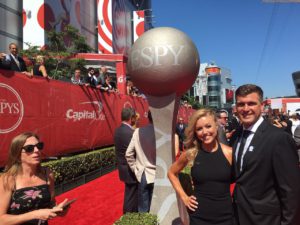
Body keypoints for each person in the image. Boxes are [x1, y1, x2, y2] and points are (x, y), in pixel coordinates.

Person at [232, 84, 300, 225]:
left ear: (262, 106)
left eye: (251, 103)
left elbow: (291, 191)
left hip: (267, 220)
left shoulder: (279, 139)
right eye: (241, 104)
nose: (245, 109)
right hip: (238, 217)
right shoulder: (236, 135)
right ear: (236, 107)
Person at [168, 108, 233, 225]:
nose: (204, 132)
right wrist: (184, 198)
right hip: (199, 215)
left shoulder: (229, 153)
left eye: (208, 126)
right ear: (195, 132)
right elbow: (171, 173)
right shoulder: (191, 154)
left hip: (226, 215)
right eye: (199, 129)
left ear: (216, 126)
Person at [0, 132, 69, 225]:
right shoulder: (8, 179)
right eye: (29, 148)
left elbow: (51, 204)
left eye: (39, 146)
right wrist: (34, 214)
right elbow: (1, 219)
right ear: (17, 154)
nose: (36, 150)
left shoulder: (47, 174)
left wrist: (58, 210)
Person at [125, 111, 156, 212]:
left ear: (148, 117)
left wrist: (135, 169)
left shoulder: (138, 131)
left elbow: (128, 153)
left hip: (142, 173)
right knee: (157, 210)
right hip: (159, 174)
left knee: (143, 211)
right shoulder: (162, 133)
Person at [114, 108, 138, 213]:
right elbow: (135, 152)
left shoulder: (118, 130)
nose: (135, 120)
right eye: (134, 118)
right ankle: (128, 216)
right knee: (131, 195)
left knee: (130, 193)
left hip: (123, 168)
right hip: (130, 168)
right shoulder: (130, 132)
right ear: (131, 118)